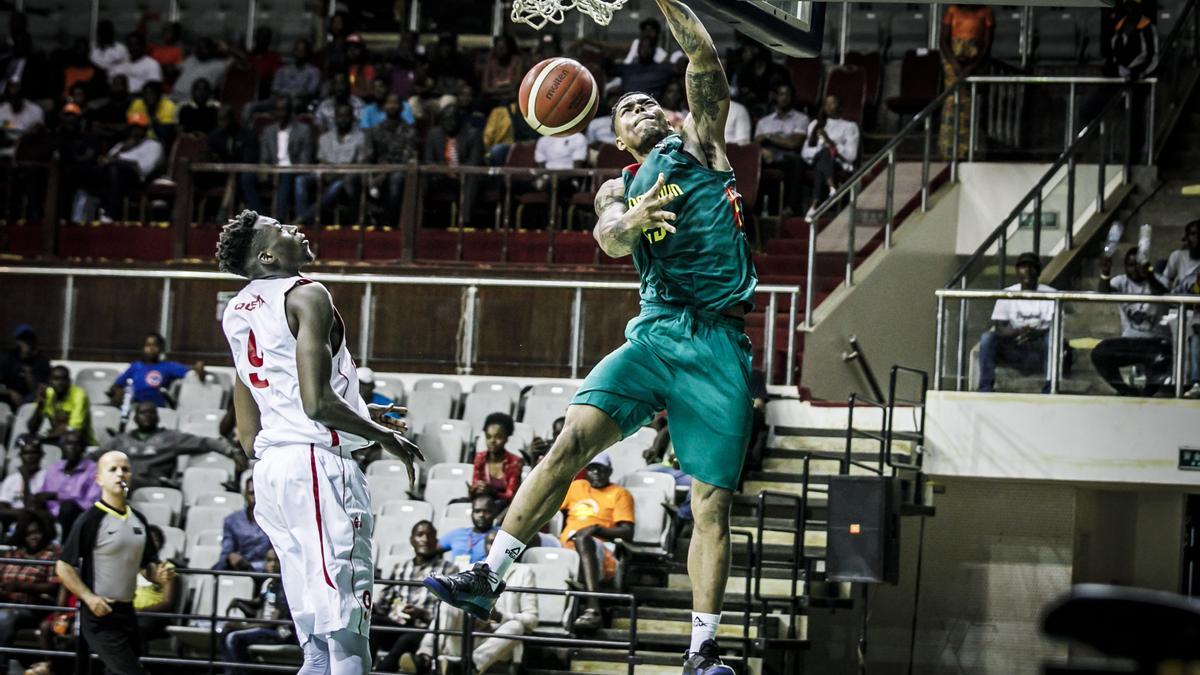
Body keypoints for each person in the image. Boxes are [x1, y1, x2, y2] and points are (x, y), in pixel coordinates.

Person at [427, 2, 749, 670]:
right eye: (628, 107)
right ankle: (488, 574)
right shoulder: (617, 185)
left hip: (717, 342)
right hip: (656, 335)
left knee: (711, 502)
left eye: (649, 102)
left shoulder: (701, 144)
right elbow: (606, 236)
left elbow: (704, 61)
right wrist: (629, 219)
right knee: (569, 438)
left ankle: (702, 647)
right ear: (617, 135)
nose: (643, 107)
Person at [217, 209, 421, 675]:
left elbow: (249, 393)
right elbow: (315, 404)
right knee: (350, 639)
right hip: (315, 466)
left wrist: (360, 412)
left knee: (315, 647)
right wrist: (381, 436)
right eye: (283, 229)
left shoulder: (238, 307)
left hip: (273, 470)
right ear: (267, 254)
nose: (297, 229)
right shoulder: (308, 293)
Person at [56, 450, 176, 675]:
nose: (120, 474)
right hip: (99, 615)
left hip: (128, 612)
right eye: (113, 469)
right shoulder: (90, 519)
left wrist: (158, 575)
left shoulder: (139, 519)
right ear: (99, 479)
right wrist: (89, 598)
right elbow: (63, 566)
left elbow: (147, 566)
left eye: (125, 469)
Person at [416, 530, 537, 674]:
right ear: (485, 546)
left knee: (516, 626)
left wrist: (500, 616)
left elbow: (532, 620)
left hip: (497, 641)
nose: (494, 547)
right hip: (467, 633)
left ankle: (469, 666)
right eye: (490, 543)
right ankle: (425, 657)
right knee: (447, 606)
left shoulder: (524, 572)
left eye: (497, 543)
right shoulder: (469, 568)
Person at [557, 453, 634, 633]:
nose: (596, 473)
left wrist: (597, 529)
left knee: (583, 539)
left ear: (609, 471)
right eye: (592, 469)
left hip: (600, 547)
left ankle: (593, 608)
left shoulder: (619, 493)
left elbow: (627, 531)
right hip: (567, 545)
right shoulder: (576, 487)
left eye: (601, 469)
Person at [374, 521, 456, 672]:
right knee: (373, 624)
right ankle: (364, 666)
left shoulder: (449, 570)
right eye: (420, 535)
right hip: (397, 623)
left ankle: (381, 672)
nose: (425, 539)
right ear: (411, 540)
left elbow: (450, 612)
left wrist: (421, 613)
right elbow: (383, 605)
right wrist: (374, 608)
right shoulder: (400, 568)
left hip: (425, 629)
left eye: (430, 535)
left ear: (436, 542)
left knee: (407, 639)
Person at [99, 401, 241, 487]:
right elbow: (94, 456)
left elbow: (205, 442)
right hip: (125, 481)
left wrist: (231, 451)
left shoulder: (171, 438)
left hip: (152, 482)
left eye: (151, 412)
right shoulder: (121, 440)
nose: (147, 415)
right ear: (135, 418)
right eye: (143, 413)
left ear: (157, 417)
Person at [1092, 248, 1171, 396]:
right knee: (1099, 352)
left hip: (1157, 341)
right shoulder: (1122, 281)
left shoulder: (1159, 279)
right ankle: (1126, 391)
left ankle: (1147, 395)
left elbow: (1162, 292)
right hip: (1130, 341)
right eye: (1130, 265)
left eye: (1138, 264)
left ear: (1146, 265)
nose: (1134, 269)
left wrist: (1149, 276)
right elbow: (1103, 292)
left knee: (1162, 356)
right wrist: (1105, 273)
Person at [977, 252, 1056, 393]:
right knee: (987, 338)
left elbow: (1055, 326)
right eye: (1023, 267)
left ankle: (1050, 388)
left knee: (1052, 340)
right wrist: (1018, 332)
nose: (1027, 271)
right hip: (1015, 345)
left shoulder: (1051, 294)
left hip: (1038, 348)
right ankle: (985, 388)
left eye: (1032, 267)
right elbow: (1000, 326)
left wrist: (1035, 333)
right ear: (1017, 271)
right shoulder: (1007, 293)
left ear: (1038, 271)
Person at [0, 511, 61, 675]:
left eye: (37, 532)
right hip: (6, 602)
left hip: (34, 607)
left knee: (5, 618)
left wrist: (21, 587)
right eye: (29, 534)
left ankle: (2, 667)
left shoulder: (51, 554)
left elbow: (53, 587)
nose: (34, 537)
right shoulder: (13, 554)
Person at [79, 111, 164, 223]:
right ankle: (82, 215)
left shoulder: (153, 145)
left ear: (145, 129)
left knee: (115, 170)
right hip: (111, 174)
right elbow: (106, 160)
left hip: (136, 179)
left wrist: (118, 162)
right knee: (86, 171)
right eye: (133, 127)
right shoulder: (122, 145)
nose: (135, 131)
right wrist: (123, 149)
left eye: (139, 128)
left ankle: (110, 214)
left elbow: (144, 169)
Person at [221, 548, 294, 675]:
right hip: (263, 628)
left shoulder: (285, 586)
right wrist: (238, 601)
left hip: (280, 633)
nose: (272, 564)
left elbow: (271, 623)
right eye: (269, 560)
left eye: (276, 561)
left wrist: (242, 626)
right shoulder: (268, 582)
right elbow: (258, 602)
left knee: (234, 638)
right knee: (225, 631)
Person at [243, 95, 315, 222]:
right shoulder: (268, 131)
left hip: (293, 170)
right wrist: (264, 169)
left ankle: (279, 217)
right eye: (278, 110)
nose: (281, 113)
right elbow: (264, 157)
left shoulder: (304, 130)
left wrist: (289, 168)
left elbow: (305, 159)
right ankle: (260, 215)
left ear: (290, 111)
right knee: (247, 177)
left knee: (285, 175)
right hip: (272, 170)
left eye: (284, 110)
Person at [939, 4, 994, 160]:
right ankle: (949, 150)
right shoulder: (952, 10)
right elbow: (943, 40)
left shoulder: (986, 12)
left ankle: (969, 150)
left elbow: (987, 46)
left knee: (971, 104)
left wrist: (972, 66)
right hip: (953, 60)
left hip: (976, 61)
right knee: (952, 102)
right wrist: (955, 64)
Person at [363, 94, 418, 227]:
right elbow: (368, 156)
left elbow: (408, 158)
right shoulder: (374, 131)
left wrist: (386, 172)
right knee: (359, 177)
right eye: (389, 102)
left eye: (395, 103)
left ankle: (391, 222)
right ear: (383, 107)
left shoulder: (409, 131)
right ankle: (366, 219)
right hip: (378, 169)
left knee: (396, 179)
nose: (392, 106)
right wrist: (372, 174)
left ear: (401, 107)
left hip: (400, 171)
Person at [801, 95, 860, 220]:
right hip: (816, 159)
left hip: (838, 163)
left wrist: (831, 143)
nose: (828, 106)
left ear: (840, 107)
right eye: (826, 103)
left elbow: (851, 156)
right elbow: (805, 152)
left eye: (832, 103)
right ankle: (832, 188)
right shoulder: (815, 125)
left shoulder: (849, 126)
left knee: (823, 160)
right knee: (823, 153)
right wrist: (822, 149)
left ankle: (815, 204)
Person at [306, 103, 366, 224]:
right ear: (335, 118)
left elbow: (357, 163)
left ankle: (305, 218)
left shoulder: (360, 137)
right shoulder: (325, 137)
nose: (343, 119)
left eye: (346, 116)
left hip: (345, 177)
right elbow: (321, 159)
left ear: (352, 118)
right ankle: (304, 215)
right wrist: (329, 172)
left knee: (337, 185)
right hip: (325, 173)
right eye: (340, 116)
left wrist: (336, 173)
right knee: (300, 181)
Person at [754, 82, 809, 214]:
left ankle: (790, 207)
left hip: (788, 156)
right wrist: (764, 150)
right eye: (781, 94)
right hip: (767, 155)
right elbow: (755, 144)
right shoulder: (764, 121)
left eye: (787, 95)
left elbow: (794, 144)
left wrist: (768, 137)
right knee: (752, 162)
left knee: (796, 161)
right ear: (776, 97)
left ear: (792, 97)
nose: (784, 98)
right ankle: (753, 209)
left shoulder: (801, 119)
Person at [109, 332, 203, 408]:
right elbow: (115, 386)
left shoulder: (168, 366)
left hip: (156, 406)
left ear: (161, 349)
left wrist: (198, 366)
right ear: (143, 348)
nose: (151, 348)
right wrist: (118, 392)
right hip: (134, 404)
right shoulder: (135, 366)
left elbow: (190, 371)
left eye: (155, 345)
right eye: (148, 345)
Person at [39, 430, 101, 532]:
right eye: (68, 444)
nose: (72, 447)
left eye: (77, 444)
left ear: (83, 448)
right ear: (62, 447)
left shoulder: (93, 469)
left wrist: (58, 496)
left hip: (78, 515)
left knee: (67, 508)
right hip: (50, 515)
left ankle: (66, 545)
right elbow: (43, 495)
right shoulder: (54, 468)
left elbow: (91, 503)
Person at [1164, 221, 1200, 398]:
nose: (1197, 238)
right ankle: (1174, 380)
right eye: (1193, 234)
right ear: (1187, 238)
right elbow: (1165, 282)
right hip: (1178, 311)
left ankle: (1195, 382)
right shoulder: (1177, 257)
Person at [214, 479, 272, 571]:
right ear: (245, 495)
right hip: (241, 570)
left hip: (269, 571)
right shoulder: (232, 521)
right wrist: (231, 557)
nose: (256, 497)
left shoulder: (276, 521)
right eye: (252, 493)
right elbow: (226, 554)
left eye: (259, 493)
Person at [28, 364, 94, 443]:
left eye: (63, 379)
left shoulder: (79, 395)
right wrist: (40, 405)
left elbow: (73, 429)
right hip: (54, 436)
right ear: (50, 381)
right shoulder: (47, 394)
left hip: (78, 440)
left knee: (69, 439)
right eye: (55, 379)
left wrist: (46, 436)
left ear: (69, 381)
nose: (59, 383)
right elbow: (32, 428)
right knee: (23, 439)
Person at [471, 413, 525, 504]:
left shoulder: (515, 462)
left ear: (506, 438)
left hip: (504, 507)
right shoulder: (480, 457)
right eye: (488, 437)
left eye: (498, 437)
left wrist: (492, 492)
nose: (492, 441)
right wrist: (474, 489)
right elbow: (475, 485)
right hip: (483, 503)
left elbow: (511, 496)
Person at [438, 495, 500, 568]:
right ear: (471, 513)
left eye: (487, 512)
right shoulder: (458, 533)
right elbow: (431, 550)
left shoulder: (499, 534)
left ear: (495, 514)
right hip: (456, 576)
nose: (481, 515)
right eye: (477, 511)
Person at [0, 435, 47, 527]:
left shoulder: (47, 477)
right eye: (26, 453)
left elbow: (33, 508)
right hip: (11, 520)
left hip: (36, 525)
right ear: (20, 456)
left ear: (41, 455)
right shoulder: (11, 479)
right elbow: (1, 507)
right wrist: (22, 513)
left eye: (33, 453)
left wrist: (25, 478)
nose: (30, 457)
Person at [0, 324, 50, 408]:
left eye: (29, 338)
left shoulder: (42, 361)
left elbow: (41, 390)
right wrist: (10, 392)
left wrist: (28, 374)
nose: (26, 342)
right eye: (23, 339)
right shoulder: (7, 358)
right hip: (8, 398)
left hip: (30, 400)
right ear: (17, 341)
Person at [171, 37, 230, 104]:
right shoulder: (192, 59)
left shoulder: (220, 65)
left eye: (204, 48)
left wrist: (227, 48)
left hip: (191, 102)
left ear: (212, 49)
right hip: (173, 97)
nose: (201, 50)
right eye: (199, 47)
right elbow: (173, 68)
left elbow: (240, 59)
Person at [271, 38, 322, 110]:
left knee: (289, 105)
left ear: (307, 53)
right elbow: (275, 88)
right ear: (293, 52)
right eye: (297, 50)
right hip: (280, 101)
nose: (299, 53)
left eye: (302, 51)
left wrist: (292, 95)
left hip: (301, 102)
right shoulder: (283, 70)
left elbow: (311, 91)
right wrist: (288, 95)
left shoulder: (314, 72)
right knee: (252, 106)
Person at [0, 78, 43, 158]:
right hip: (5, 144)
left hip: (26, 147)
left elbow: (38, 129)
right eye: (12, 98)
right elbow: (4, 126)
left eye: (17, 97)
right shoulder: (2, 109)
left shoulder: (35, 110)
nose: (15, 100)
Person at [126, 80, 177, 147]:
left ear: (158, 95)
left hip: (158, 142)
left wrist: (148, 121)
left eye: (152, 94)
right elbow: (131, 124)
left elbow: (166, 131)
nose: (148, 96)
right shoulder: (138, 103)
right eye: (146, 93)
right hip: (138, 140)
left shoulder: (169, 106)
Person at [109, 32, 162, 96]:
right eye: (130, 45)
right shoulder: (120, 63)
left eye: (136, 45)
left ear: (143, 46)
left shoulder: (152, 64)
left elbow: (154, 90)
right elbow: (111, 83)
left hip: (140, 99)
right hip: (118, 99)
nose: (132, 48)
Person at [481, 34, 524, 109]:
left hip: (511, 100)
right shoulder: (491, 62)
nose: (500, 50)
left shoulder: (517, 61)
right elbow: (485, 88)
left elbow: (515, 86)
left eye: (503, 47)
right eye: (498, 47)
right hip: (492, 100)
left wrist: (495, 90)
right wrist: (504, 91)